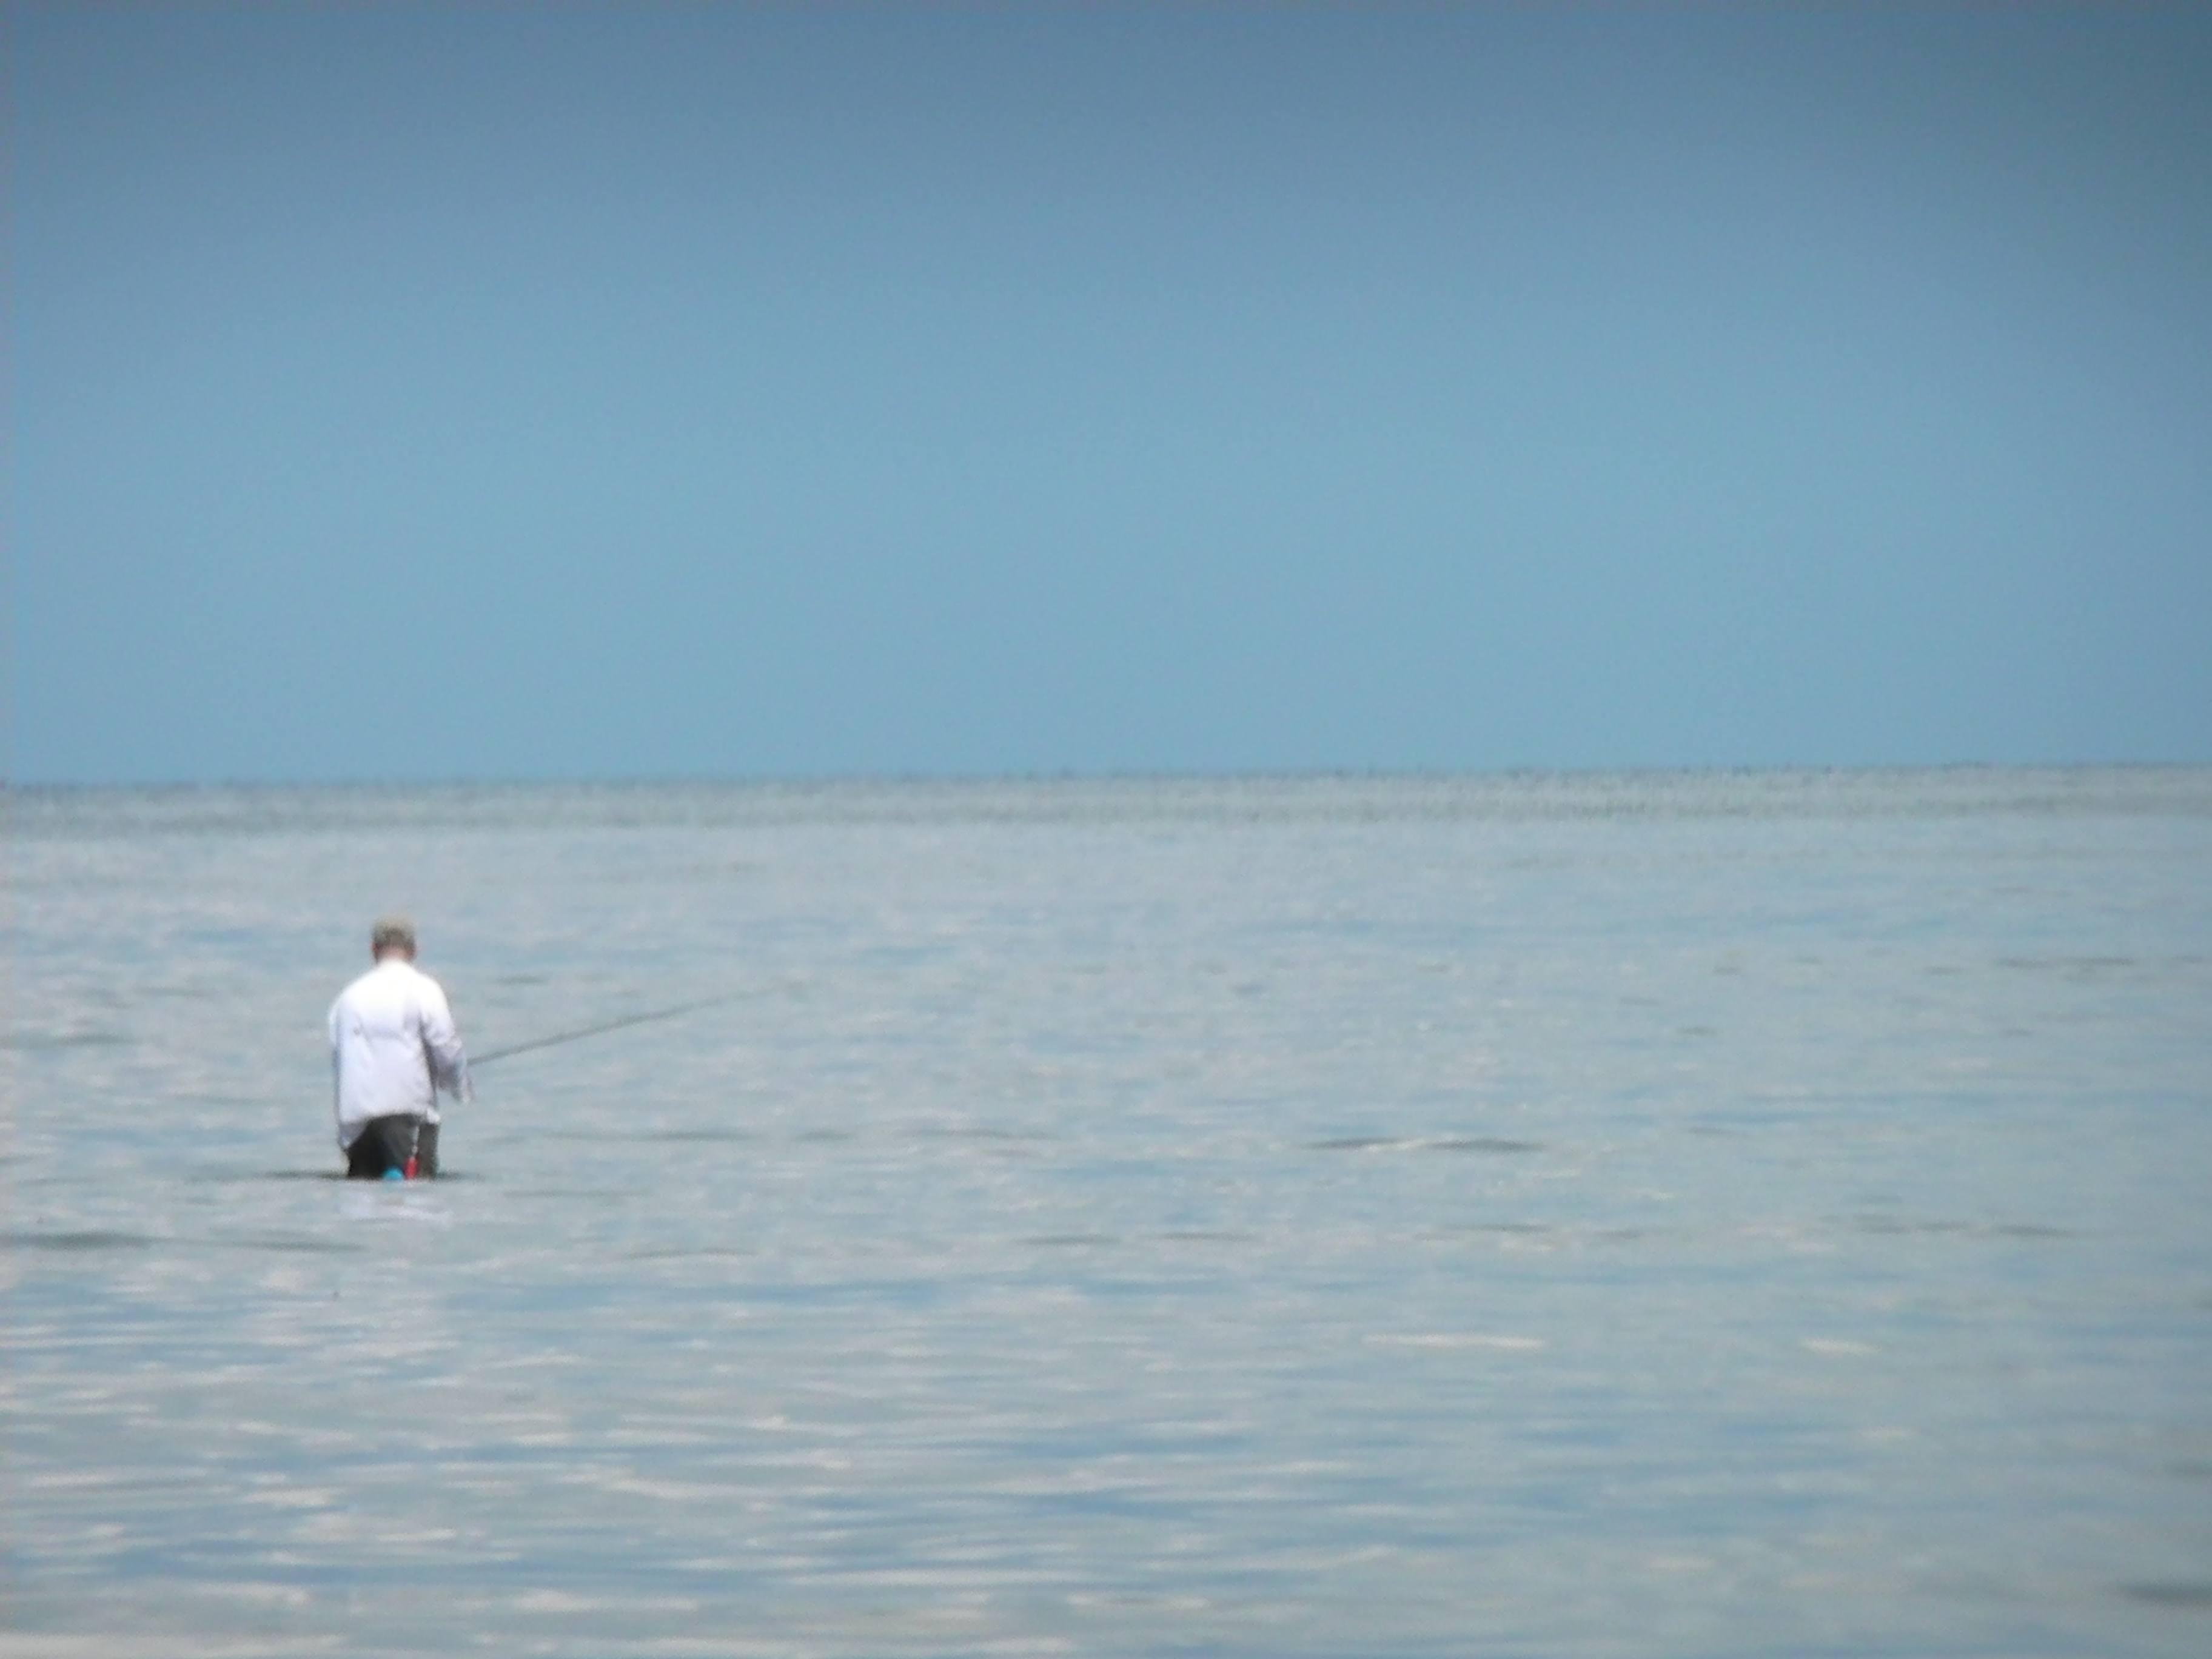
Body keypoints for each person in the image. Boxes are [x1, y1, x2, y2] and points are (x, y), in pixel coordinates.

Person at [329, 916, 471, 1178]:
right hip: (410, 1120)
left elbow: (339, 1062)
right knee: (411, 1200)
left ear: (374, 951)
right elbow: (447, 1048)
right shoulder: (424, 990)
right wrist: (459, 1088)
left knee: (366, 1204)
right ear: (414, 951)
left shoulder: (347, 999)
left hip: (357, 1128)